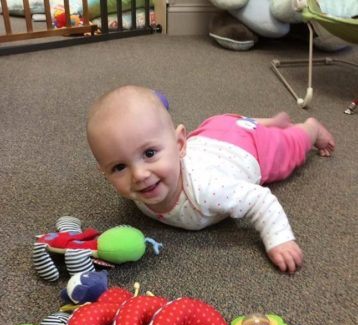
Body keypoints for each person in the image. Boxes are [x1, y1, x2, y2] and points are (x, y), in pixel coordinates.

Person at [87, 85, 335, 273]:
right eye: (119, 167)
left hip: (247, 149)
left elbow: (260, 199)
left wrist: (279, 239)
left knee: (291, 147)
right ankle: (264, 122)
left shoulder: (206, 189)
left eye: (150, 154)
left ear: (179, 144)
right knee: (238, 123)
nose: (139, 175)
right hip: (215, 131)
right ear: (104, 173)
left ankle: (310, 128)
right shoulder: (144, 183)